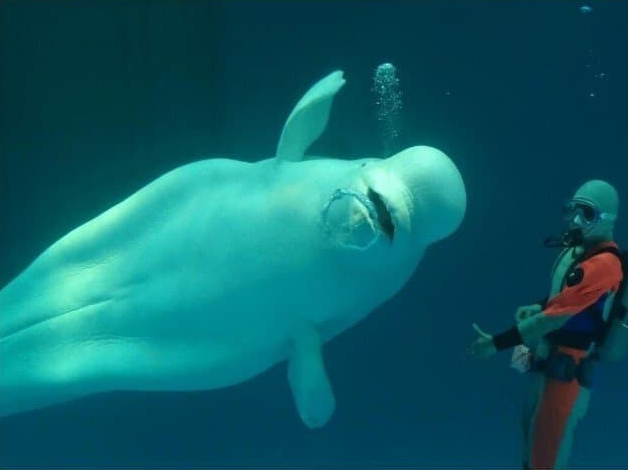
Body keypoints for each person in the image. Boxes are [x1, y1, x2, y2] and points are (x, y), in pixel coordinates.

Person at [469, 179, 627, 469]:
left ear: (607, 219)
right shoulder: (578, 253)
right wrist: (537, 307)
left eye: (587, 214)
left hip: (565, 376)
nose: (576, 220)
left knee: (545, 459)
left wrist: (495, 344)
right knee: (530, 444)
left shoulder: (604, 265)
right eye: (573, 210)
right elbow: (563, 298)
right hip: (545, 362)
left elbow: (556, 317)